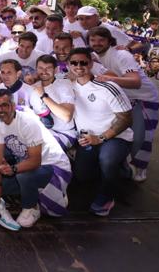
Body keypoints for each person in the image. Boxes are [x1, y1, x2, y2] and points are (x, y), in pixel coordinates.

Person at [0, 89, 71, 228]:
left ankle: (32, 206)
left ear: (12, 104)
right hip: (26, 165)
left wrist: (14, 169)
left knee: (23, 176)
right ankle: (38, 191)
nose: (0, 110)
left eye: (4, 105)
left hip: (54, 167)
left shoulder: (28, 122)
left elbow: (35, 161)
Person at [86, 27, 159, 182]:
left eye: (101, 40)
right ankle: (125, 164)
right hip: (124, 99)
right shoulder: (93, 56)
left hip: (144, 98)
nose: (97, 43)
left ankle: (140, 168)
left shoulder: (121, 55)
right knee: (125, 135)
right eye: (93, 40)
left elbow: (136, 81)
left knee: (142, 137)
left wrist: (110, 79)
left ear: (109, 41)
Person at [67, 47, 134, 216]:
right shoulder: (68, 86)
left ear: (91, 64)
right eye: (74, 62)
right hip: (88, 138)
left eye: (83, 62)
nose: (79, 66)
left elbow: (126, 118)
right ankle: (114, 171)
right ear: (68, 65)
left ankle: (107, 196)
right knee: (82, 176)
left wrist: (102, 137)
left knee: (107, 160)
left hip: (115, 136)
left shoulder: (107, 86)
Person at [31, 55, 77, 151]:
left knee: (40, 149)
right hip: (43, 131)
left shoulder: (64, 84)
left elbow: (67, 116)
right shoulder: (33, 87)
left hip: (64, 132)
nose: (44, 71)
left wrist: (43, 95)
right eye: (40, 68)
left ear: (56, 70)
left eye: (48, 68)